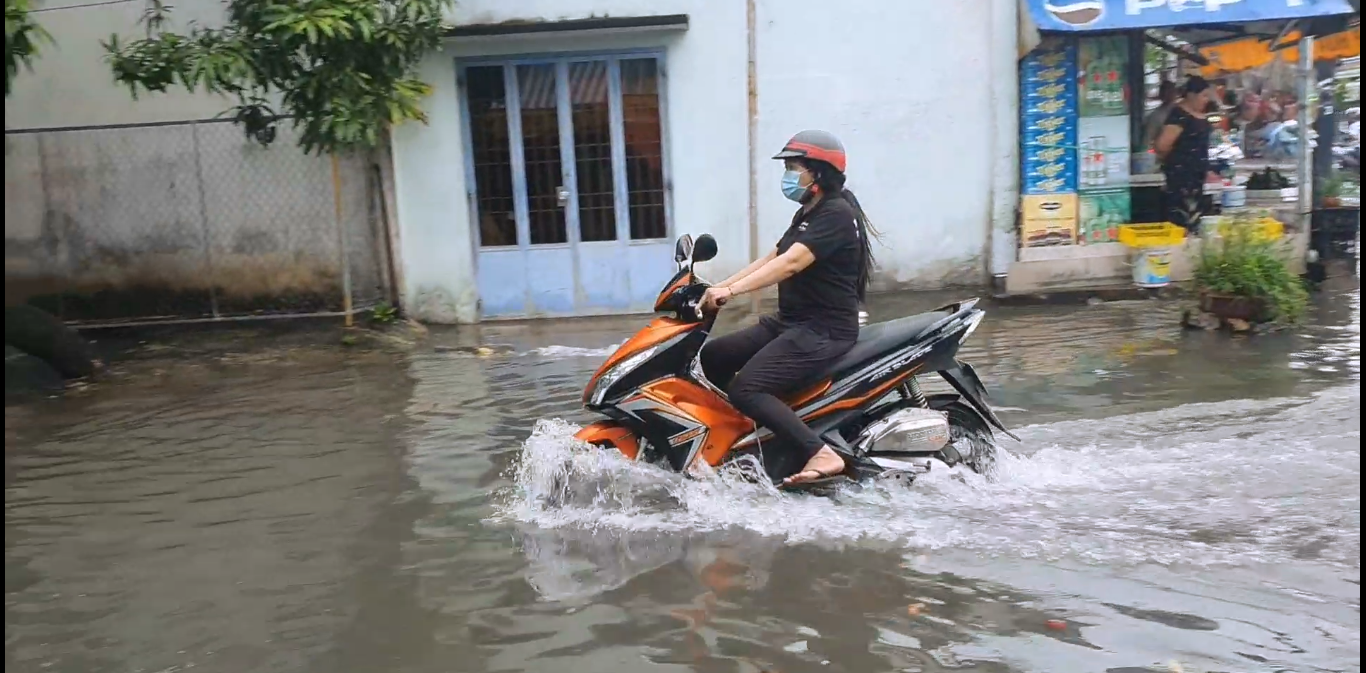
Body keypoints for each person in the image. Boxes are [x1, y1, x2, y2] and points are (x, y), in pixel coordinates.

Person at [698, 130, 876, 487]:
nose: (788, 176)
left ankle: (820, 452)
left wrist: (732, 291)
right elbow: (774, 257)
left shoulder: (837, 214)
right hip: (791, 321)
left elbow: (792, 264)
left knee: (747, 387)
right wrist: (715, 287)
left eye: (794, 167)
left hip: (823, 329)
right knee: (712, 357)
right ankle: (746, 435)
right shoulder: (807, 213)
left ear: (818, 172)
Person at [1155, 76, 1215, 232]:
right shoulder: (1179, 115)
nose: (1206, 100)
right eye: (1204, 95)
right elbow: (1162, 145)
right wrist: (1177, 161)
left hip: (1197, 178)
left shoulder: (1200, 115)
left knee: (1196, 216)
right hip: (1181, 177)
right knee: (1182, 215)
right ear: (1191, 95)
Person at [1142, 81, 1178, 150]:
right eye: (1167, 92)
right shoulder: (1156, 116)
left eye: (1171, 92)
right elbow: (1147, 141)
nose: (1169, 94)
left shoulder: (1181, 110)